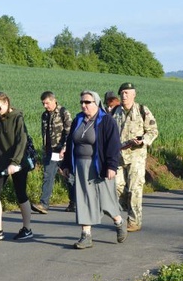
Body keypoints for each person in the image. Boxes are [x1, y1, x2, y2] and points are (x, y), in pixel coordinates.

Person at [60, 91, 127, 248]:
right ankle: (86, 235)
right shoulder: (78, 120)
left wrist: (111, 166)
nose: (84, 105)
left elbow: (113, 145)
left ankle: (119, 222)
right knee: (83, 199)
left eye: (87, 102)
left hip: (99, 166)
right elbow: (70, 143)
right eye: (82, 102)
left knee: (106, 200)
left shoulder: (106, 121)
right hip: (81, 166)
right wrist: (66, 165)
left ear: (96, 103)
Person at [0, 92, 34, 242]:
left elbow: (21, 142)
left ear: (6, 103)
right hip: (1, 162)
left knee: (21, 194)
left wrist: (15, 163)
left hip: (17, 163)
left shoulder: (18, 118)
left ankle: (27, 228)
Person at [112, 82, 159, 232]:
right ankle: (127, 208)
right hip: (119, 155)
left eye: (127, 93)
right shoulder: (115, 112)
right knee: (116, 187)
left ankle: (134, 221)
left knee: (134, 189)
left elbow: (153, 130)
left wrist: (143, 140)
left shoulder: (142, 110)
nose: (124, 96)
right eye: (122, 93)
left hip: (136, 156)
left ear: (134, 95)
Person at [32, 91, 73, 214]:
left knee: (69, 178)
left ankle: (74, 202)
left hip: (62, 151)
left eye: (47, 103)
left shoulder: (63, 112)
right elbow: (44, 133)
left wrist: (65, 148)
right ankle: (44, 204)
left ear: (54, 100)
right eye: (43, 103)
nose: (45, 106)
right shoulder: (44, 115)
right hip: (50, 152)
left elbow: (69, 133)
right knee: (48, 176)